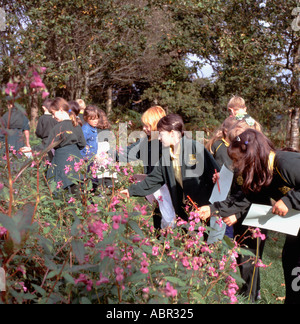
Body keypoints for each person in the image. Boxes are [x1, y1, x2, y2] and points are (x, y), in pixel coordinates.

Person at [198, 129, 300, 304]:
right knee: (291, 262)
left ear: (252, 155)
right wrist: (213, 209)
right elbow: (245, 197)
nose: (236, 165)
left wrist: (289, 200)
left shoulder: (284, 163)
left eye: (238, 160)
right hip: (296, 228)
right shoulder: (263, 174)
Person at [120, 114, 220, 225]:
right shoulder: (167, 156)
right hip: (187, 213)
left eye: (161, 134)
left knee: (210, 241)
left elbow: (216, 173)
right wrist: (131, 191)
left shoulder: (195, 148)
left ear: (172, 133)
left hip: (207, 209)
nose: (159, 138)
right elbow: (153, 180)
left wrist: (213, 207)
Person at [45, 98, 86, 194]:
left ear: (60, 110)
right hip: (76, 161)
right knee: (78, 191)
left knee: (64, 192)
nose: (52, 116)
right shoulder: (77, 125)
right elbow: (82, 144)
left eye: (53, 113)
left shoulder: (57, 128)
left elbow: (47, 145)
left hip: (62, 161)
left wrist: (32, 149)